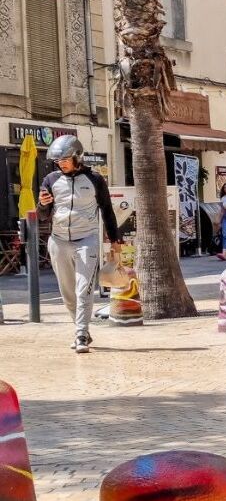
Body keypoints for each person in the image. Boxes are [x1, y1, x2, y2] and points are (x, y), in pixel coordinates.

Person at [36, 135, 121, 354]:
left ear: (77, 156)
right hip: (59, 241)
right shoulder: (51, 180)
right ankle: (80, 327)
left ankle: (81, 334)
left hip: (87, 240)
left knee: (84, 288)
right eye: (58, 160)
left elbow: (108, 211)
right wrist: (42, 205)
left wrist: (115, 241)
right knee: (67, 292)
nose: (60, 163)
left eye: (65, 159)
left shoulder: (95, 179)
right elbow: (43, 216)